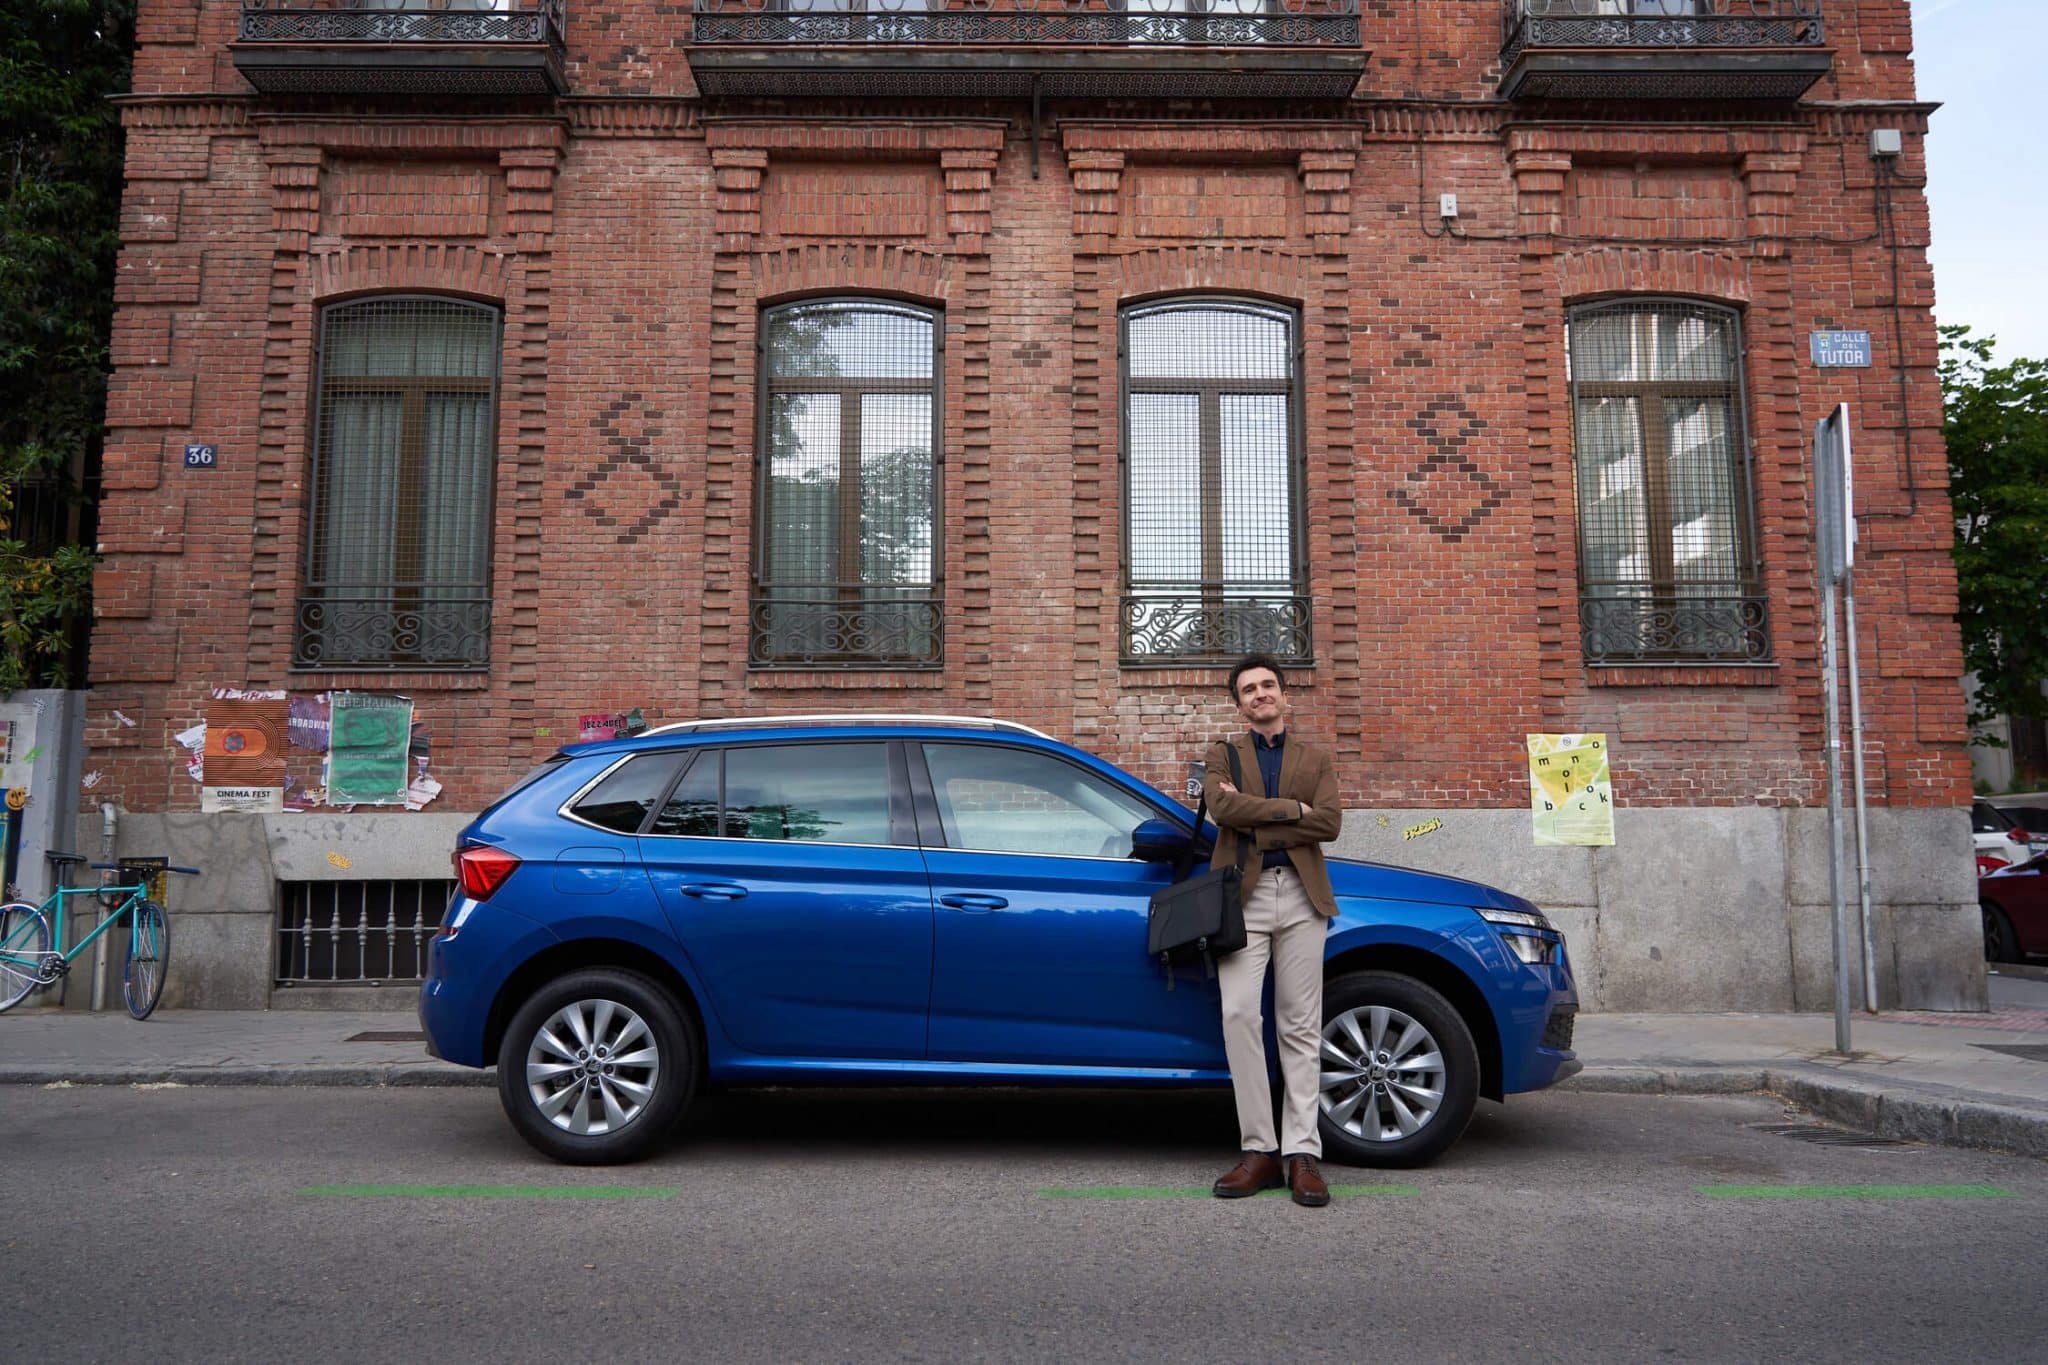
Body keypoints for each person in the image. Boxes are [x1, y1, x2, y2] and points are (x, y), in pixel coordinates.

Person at [1201, 653, 1342, 1207]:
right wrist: (1289, 812)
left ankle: (1301, 1154)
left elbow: (1329, 822)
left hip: (1304, 899)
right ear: (1239, 704)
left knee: (1301, 1026)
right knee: (1239, 1015)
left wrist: (1255, 818)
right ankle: (1259, 1149)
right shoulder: (1224, 754)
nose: (1259, 694)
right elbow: (1220, 808)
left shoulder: (1316, 757)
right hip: (1244, 898)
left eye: (1267, 686)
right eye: (1248, 689)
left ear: (1285, 696)